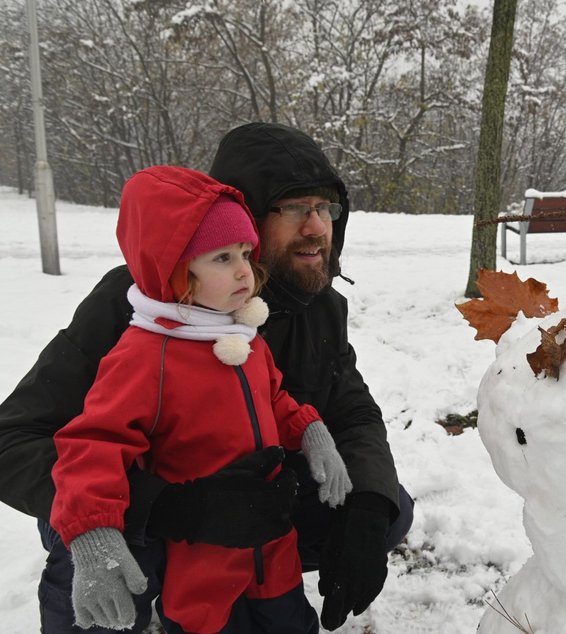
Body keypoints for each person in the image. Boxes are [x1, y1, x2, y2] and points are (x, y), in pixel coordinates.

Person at [0, 122, 412, 633]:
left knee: (384, 505)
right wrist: (167, 507)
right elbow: (13, 440)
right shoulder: (138, 305)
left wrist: (368, 511)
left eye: (324, 208)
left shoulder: (319, 307)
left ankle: (249, 594)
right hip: (138, 507)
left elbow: (352, 412)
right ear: (244, 218)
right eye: (293, 208)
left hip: (254, 505)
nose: (316, 227)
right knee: (91, 542)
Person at [52, 165, 354, 633]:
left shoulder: (244, 335)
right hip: (202, 553)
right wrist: (94, 535)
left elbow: (274, 398)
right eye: (220, 258)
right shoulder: (146, 355)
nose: (243, 270)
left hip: (272, 541)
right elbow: (93, 444)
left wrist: (313, 433)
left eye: (245, 252)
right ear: (175, 272)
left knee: (290, 621)